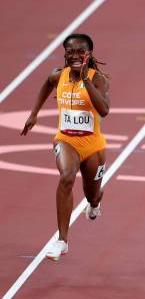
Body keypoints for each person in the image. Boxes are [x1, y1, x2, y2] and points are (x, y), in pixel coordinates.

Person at [21, 33, 110, 261]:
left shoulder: (98, 79)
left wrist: (86, 81)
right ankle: (62, 241)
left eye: (81, 51)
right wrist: (34, 114)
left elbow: (104, 110)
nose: (75, 55)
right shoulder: (58, 76)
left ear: (89, 54)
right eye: (70, 51)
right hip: (66, 140)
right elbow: (46, 85)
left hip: (93, 146)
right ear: (65, 53)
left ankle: (94, 204)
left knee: (93, 194)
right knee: (66, 177)